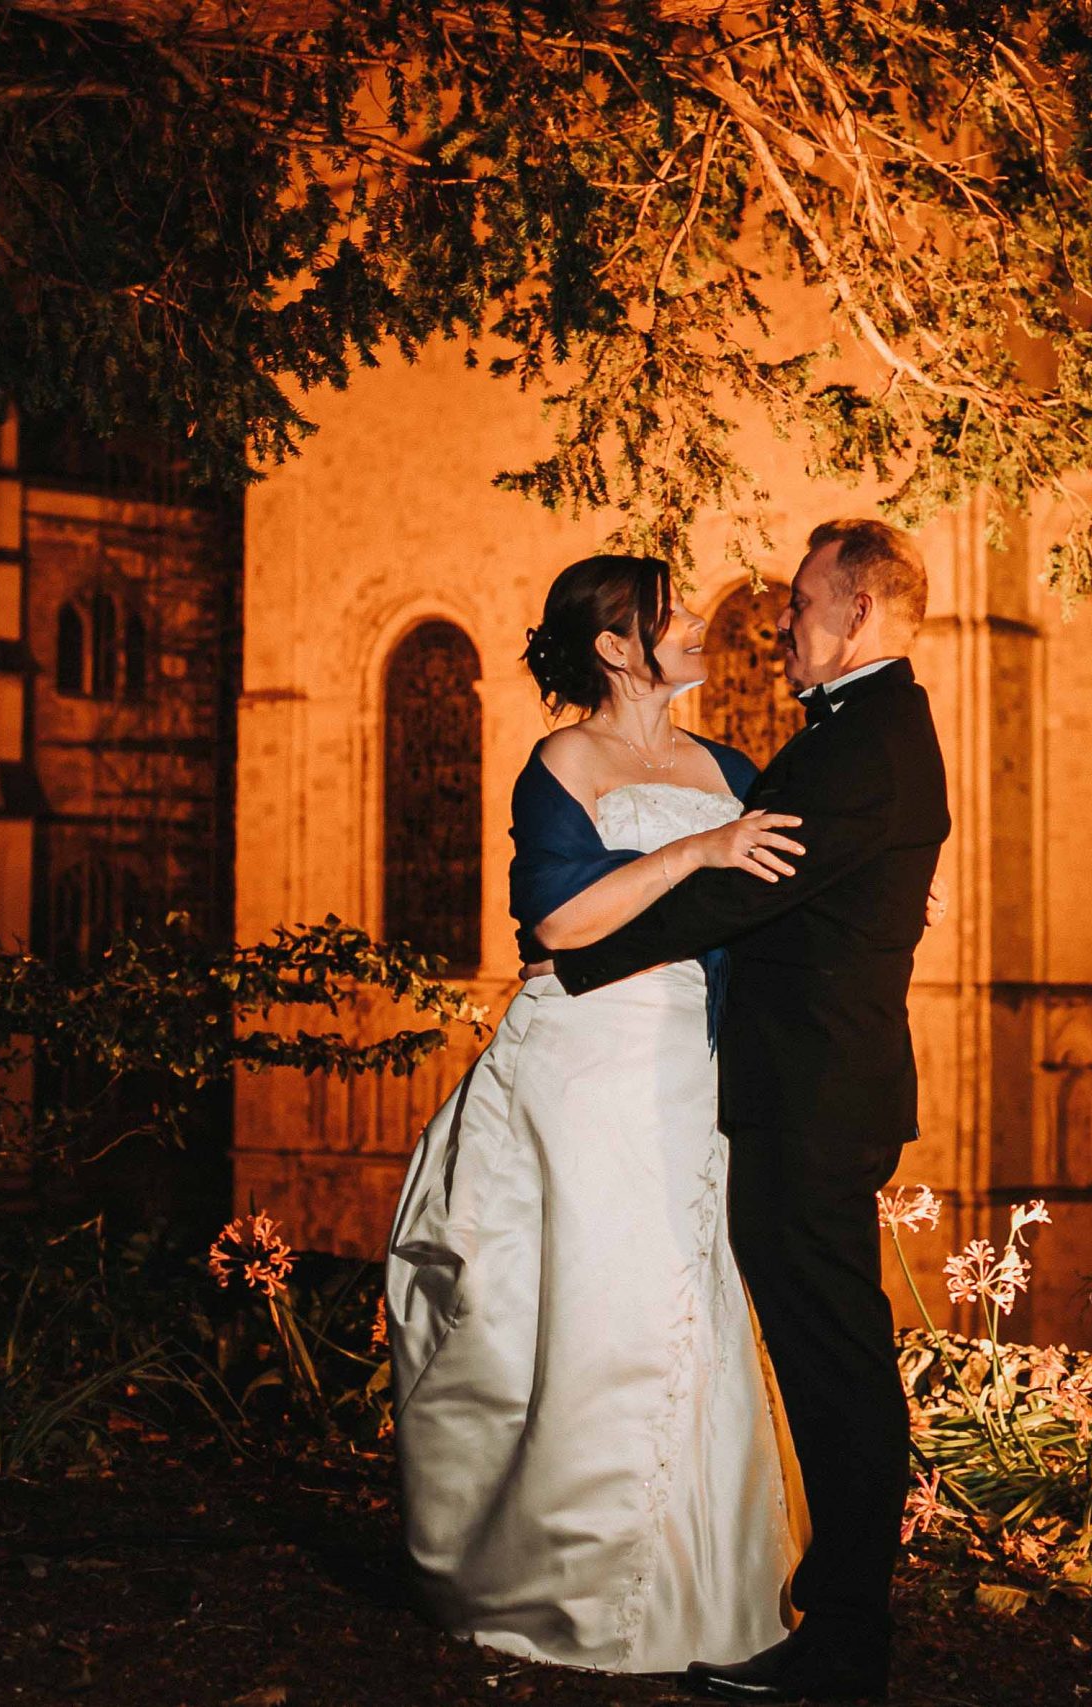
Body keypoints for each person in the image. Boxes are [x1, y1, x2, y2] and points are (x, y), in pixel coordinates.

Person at [538, 519, 952, 1702]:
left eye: (803, 603)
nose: (780, 623)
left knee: (835, 1362)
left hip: (812, 1097)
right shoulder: (863, 731)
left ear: (859, 613)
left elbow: (740, 889)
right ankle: (838, 1622)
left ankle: (843, 1640)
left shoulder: (865, 742)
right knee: (831, 1354)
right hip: (807, 1087)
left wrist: (576, 955)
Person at [382, 553, 814, 1673]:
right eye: (668, 617)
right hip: (593, 1057)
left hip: (688, 1057)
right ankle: (558, 1582)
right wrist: (695, 849)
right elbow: (561, 922)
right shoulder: (564, 758)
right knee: (595, 1297)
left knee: (681, 1293)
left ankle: (696, 1585)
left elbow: (785, 876)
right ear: (617, 649)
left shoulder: (727, 763)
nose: (694, 627)